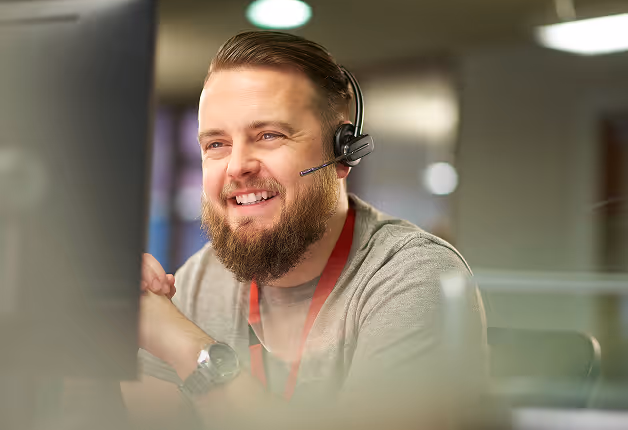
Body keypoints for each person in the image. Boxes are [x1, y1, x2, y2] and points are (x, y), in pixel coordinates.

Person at [121, 30, 487, 430]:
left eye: (269, 135)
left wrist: (188, 346)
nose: (237, 166)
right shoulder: (200, 278)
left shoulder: (414, 278)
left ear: (342, 151)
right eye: (216, 144)